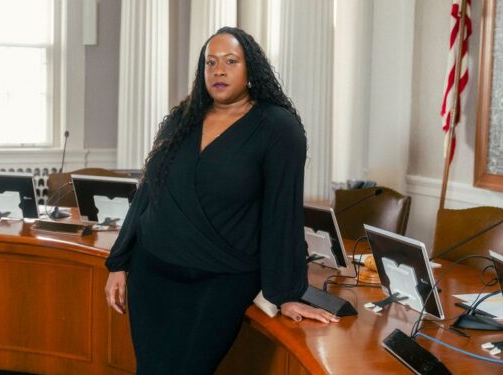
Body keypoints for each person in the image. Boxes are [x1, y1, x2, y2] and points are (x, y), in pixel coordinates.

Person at [104, 27, 339, 374]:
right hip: (152, 272)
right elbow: (149, 191)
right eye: (210, 62)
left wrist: (287, 292)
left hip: (220, 280)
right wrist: (119, 261)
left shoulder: (278, 127)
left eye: (231, 61)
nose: (219, 70)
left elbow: (282, 214)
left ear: (250, 69)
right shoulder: (183, 118)